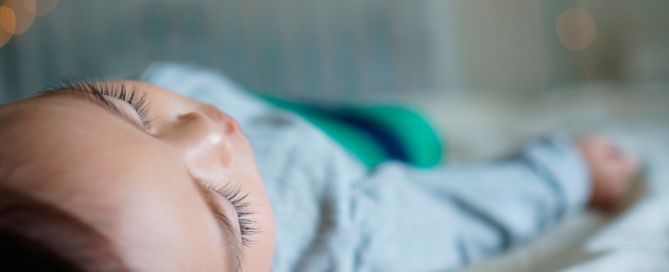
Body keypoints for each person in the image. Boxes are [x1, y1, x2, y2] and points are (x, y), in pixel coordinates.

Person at [0, 63, 639, 271]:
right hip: (354, 153)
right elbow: (453, 218)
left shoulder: (187, 107)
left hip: (268, 111)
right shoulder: (345, 235)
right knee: (412, 128)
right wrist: (569, 171)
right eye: (231, 212)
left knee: (203, 99)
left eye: (123, 107)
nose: (206, 133)